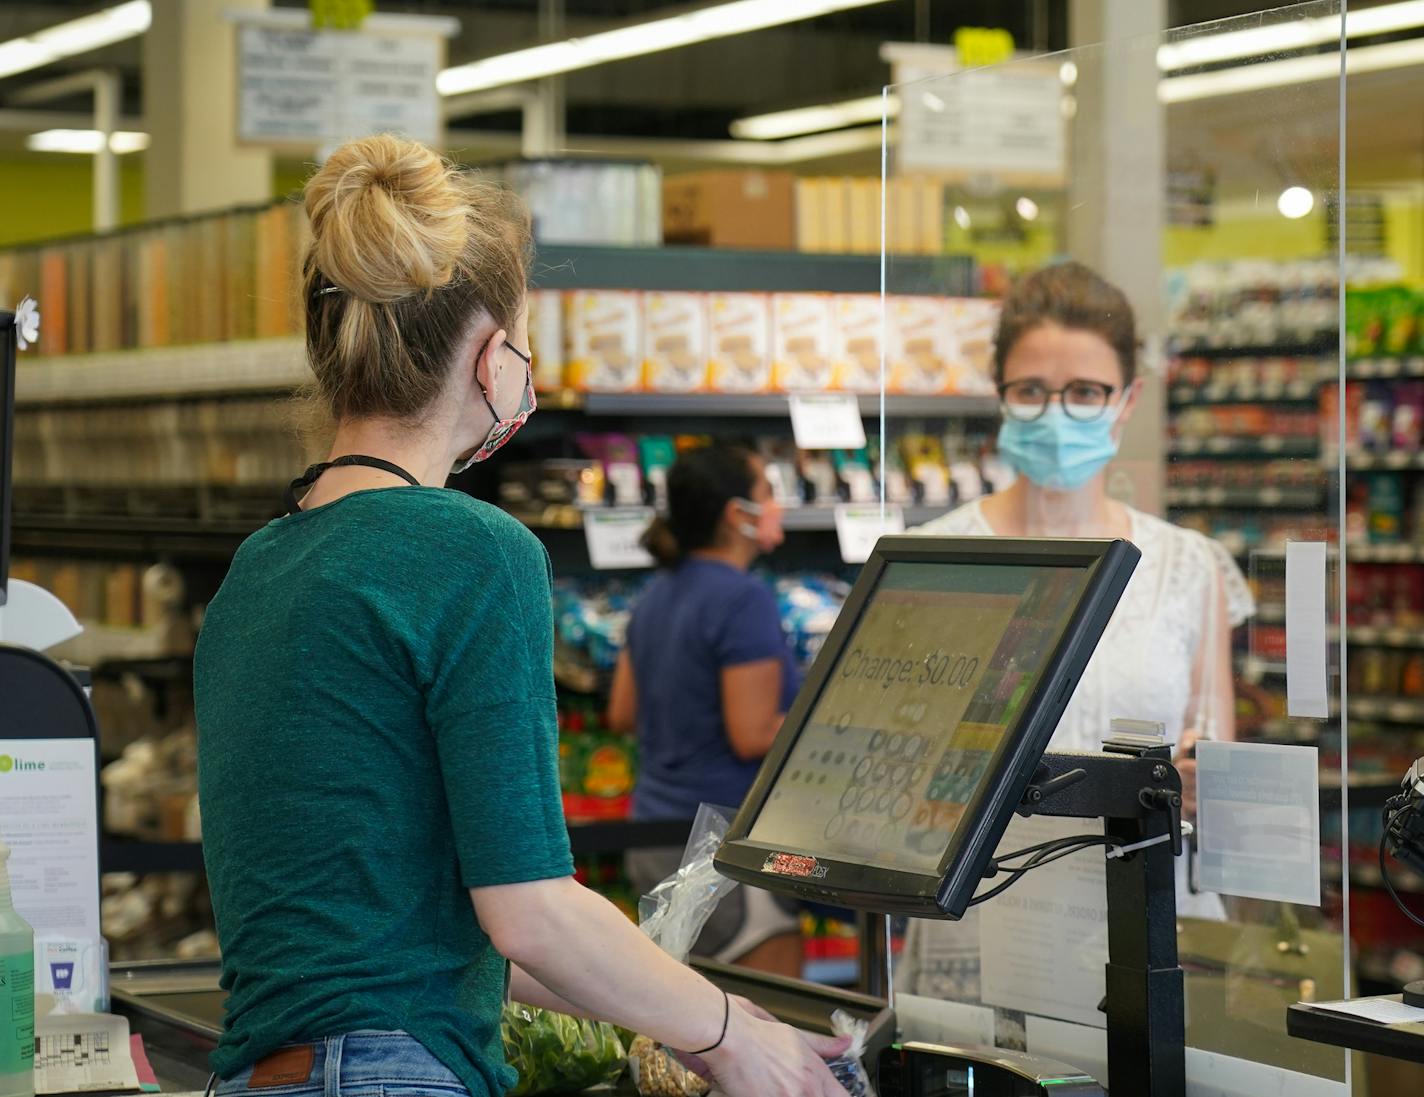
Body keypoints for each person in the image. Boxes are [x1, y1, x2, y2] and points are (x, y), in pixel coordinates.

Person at [193, 135, 849, 1097]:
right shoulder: (473, 551)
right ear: (491, 353)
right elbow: (530, 910)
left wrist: (696, 1005)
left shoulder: (260, 566)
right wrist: (732, 1044)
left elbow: (450, 937)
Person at [897, 261, 1254, 1000]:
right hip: (987, 912)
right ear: (1000, 395)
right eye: (1032, 391)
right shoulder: (935, 559)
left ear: (1126, 401)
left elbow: (1216, 747)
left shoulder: (1188, 565)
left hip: (1152, 908)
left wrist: (1199, 774)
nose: (1057, 414)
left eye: (1085, 392)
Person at [607, 444, 805, 977]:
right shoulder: (744, 599)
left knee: (679, 1031)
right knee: (769, 1026)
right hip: (724, 845)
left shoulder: (654, 594)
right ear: (736, 514)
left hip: (651, 837)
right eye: (768, 491)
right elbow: (752, 733)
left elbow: (622, 713)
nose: (777, 504)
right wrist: (836, 720)